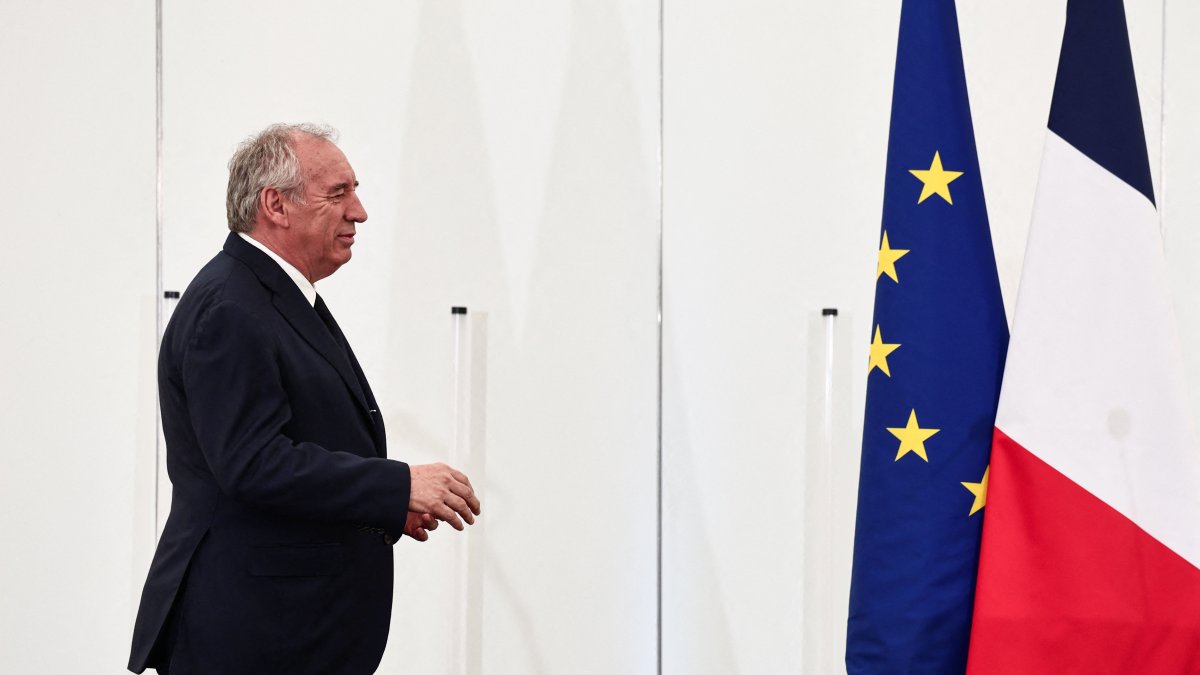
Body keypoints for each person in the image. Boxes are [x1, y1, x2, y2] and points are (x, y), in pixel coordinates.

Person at [128, 123, 481, 674]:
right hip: (255, 635)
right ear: (275, 204)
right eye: (338, 193)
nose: (359, 212)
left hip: (281, 628)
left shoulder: (265, 294)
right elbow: (253, 463)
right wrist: (397, 483)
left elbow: (292, 445)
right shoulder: (233, 307)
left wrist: (381, 504)